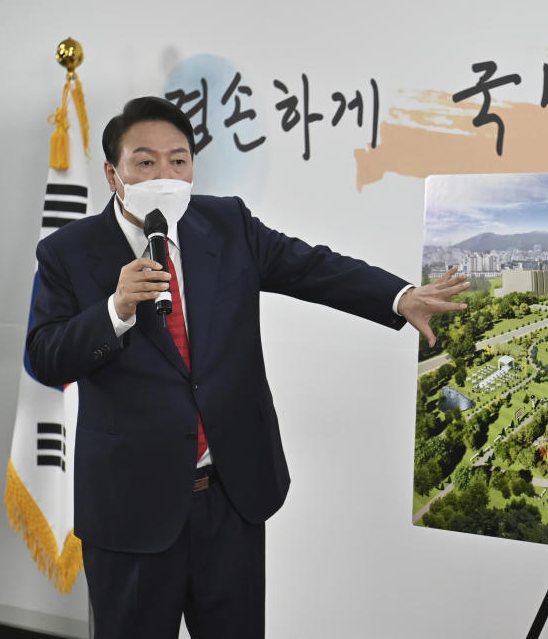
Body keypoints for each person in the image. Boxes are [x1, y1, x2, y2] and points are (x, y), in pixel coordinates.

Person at [26, 96, 468, 638]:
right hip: (130, 511)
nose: (165, 174)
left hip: (230, 495)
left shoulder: (226, 222)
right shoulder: (68, 252)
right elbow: (45, 357)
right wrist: (114, 311)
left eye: (179, 160)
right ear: (113, 173)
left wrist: (398, 297)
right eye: (145, 162)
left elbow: (312, 267)